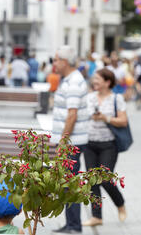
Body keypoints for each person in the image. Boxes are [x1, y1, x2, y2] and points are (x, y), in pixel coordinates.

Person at [51, 46, 90, 234]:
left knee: (70, 183)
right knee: (68, 183)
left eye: (56, 59)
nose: (54, 63)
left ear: (64, 62)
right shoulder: (69, 80)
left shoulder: (73, 82)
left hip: (71, 142)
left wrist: (63, 142)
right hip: (71, 141)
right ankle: (72, 224)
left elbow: (72, 115)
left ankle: (74, 226)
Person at [82, 68, 128, 227]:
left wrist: (105, 118)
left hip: (109, 144)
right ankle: (97, 216)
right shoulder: (89, 98)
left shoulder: (117, 98)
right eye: (94, 79)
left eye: (98, 80)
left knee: (106, 179)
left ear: (107, 82)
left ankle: (120, 204)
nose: (94, 82)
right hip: (89, 144)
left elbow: (123, 121)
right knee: (92, 180)